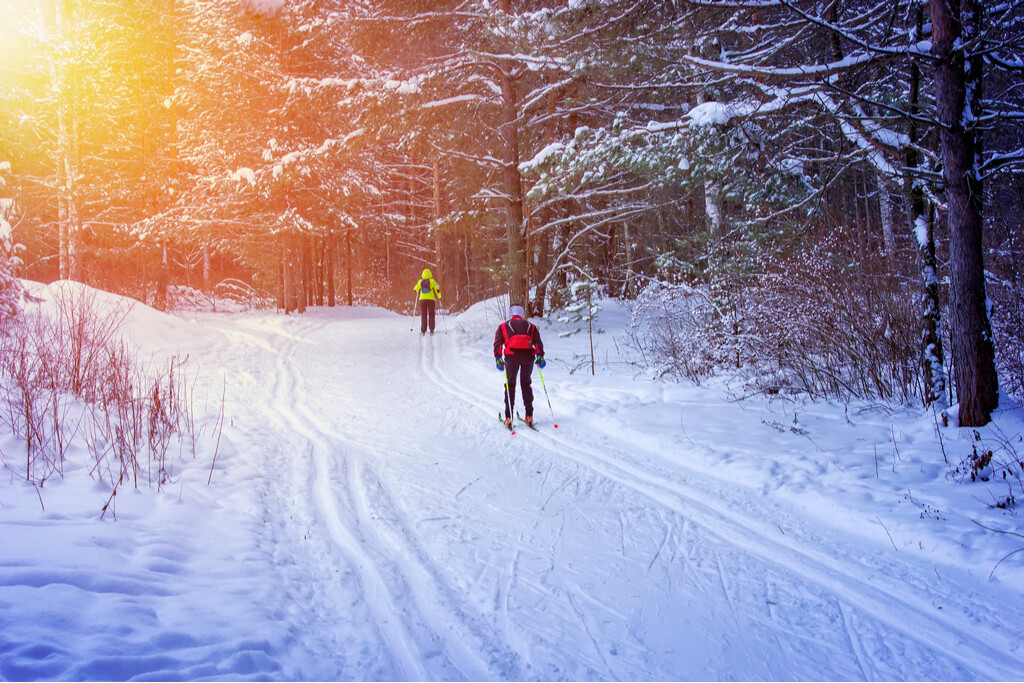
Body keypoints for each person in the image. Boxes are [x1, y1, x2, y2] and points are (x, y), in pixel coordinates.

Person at [494, 303, 545, 427]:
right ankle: (529, 416)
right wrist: (540, 356)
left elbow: (498, 344)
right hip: (528, 357)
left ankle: (508, 417)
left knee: (510, 384)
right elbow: (537, 342)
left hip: (511, 357)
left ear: (511, 313)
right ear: (522, 313)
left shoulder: (503, 326)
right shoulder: (531, 326)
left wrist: (498, 358)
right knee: (526, 383)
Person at [414, 268, 442, 335]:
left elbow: (415, 289)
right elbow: (437, 290)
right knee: (431, 314)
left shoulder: (420, 281)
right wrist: (440, 297)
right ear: (430, 274)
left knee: (424, 314)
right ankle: (431, 329)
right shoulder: (432, 281)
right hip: (431, 300)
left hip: (422, 300)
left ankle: (423, 329)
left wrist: (416, 290)